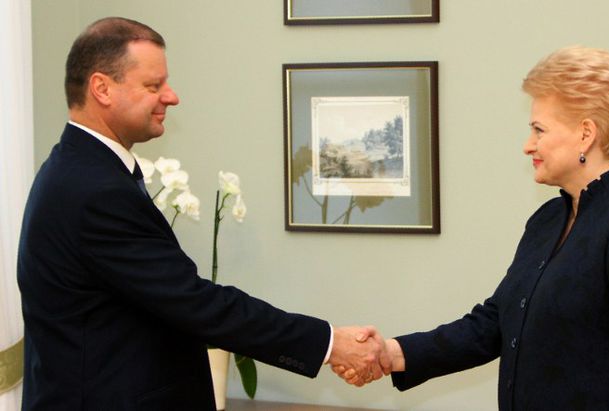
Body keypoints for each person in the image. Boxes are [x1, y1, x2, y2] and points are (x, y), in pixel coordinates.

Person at [17, 17, 389, 410]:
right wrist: (329, 344)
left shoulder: (77, 169)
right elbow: (196, 304)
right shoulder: (94, 189)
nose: (171, 97)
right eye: (153, 85)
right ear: (101, 88)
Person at [334, 46, 609, 410]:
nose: (529, 146)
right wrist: (392, 353)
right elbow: (495, 323)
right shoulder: (547, 220)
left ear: (586, 134)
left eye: (539, 130)